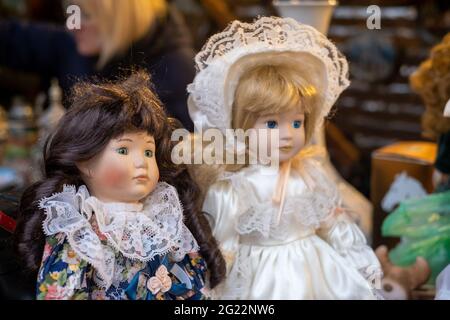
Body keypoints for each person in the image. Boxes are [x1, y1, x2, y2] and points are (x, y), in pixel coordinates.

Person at [187, 17, 382, 299]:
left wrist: (358, 259)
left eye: (296, 122)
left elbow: (332, 224)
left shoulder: (309, 173)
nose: (287, 135)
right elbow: (225, 241)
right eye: (271, 124)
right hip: (263, 277)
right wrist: (216, 286)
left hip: (317, 271)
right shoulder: (238, 184)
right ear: (240, 125)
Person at [13, 71, 225, 300]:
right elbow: (61, 291)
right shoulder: (80, 231)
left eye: (148, 151)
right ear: (86, 162)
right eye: (123, 150)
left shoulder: (162, 219)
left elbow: (191, 280)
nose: (141, 162)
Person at [0, 0, 195, 130]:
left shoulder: (177, 71)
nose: (71, 25)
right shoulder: (76, 44)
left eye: (84, 15)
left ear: (118, 19)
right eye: (72, 13)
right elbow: (12, 39)